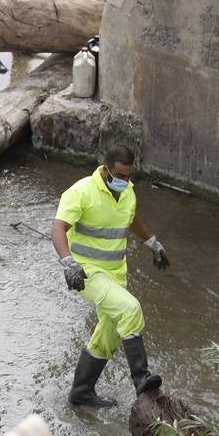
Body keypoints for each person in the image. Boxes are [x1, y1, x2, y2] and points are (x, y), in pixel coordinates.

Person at [50, 144, 171, 408]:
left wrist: (152, 243)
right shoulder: (81, 192)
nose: (125, 182)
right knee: (130, 310)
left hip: (116, 274)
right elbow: (58, 229)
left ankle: (81, 393)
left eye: (130, 176)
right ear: (106, 170)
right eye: (120, 176)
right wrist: (68, 263)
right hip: (86, 273)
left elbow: (131, 218)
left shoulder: (127, 192)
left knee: (109, 335)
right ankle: (141, 378)